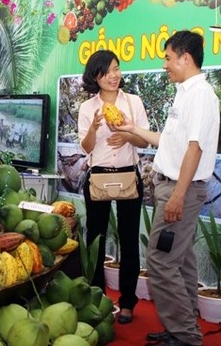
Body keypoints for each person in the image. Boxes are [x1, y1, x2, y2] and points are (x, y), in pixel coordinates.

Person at [116, 31, 220, 346]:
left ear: (185, 58)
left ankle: (186, 336)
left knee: (160, 262)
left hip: (181, 191)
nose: (165, 65)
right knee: (181, 260)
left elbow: (194, 149)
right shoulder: (185, 93)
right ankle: (182, 326)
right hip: (173, 186)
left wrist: (177, 195)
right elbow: (171, 141)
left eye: (167, 57)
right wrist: (134, 129)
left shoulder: (200, 94)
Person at [78, 50, 150, 325]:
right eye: (107, 72)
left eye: (117, 69)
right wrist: (95, 128)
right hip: (99, 176)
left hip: (128, 176)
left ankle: (128, 302)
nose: (114, 76)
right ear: (95, 76)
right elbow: (85, 148)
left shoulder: (133, 102)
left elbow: (144, 142)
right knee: (95, 240)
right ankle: (97, 296)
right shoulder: (87, 108)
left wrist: (127, 135)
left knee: (130, 240)